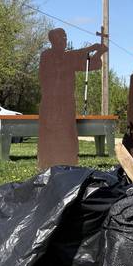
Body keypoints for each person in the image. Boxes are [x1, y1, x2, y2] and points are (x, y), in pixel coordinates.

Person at [38, 28, 106, 170]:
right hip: (50, 105)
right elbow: (72, 56)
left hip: (66, 104)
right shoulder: (47, 56)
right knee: (49, 135)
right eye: (61, 37)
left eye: (65, 36)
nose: (64, 39)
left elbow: (89, 65)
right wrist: (91, 48)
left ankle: (69, 165)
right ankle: (46, 166)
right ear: (52, 40)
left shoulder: (69, 58)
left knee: (67, 134)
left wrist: (99, 52)